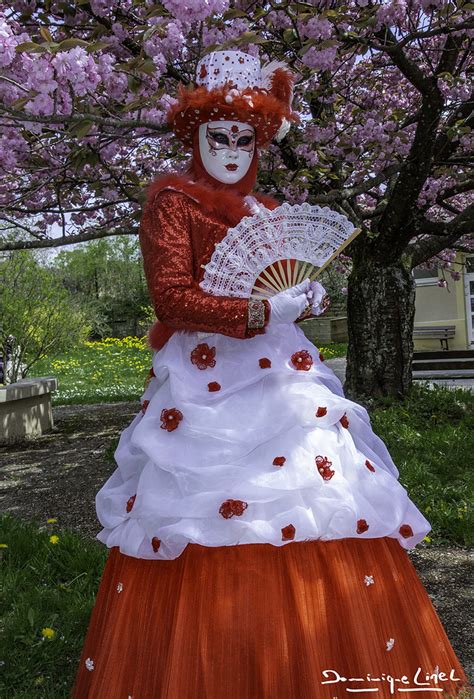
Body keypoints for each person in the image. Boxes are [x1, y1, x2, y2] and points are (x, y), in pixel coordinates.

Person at [73, 51, 469, 698]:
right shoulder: (171, 203)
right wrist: (259, 309)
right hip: (203, 391)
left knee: (315, 500)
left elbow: (277, 280)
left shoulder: (266, 210)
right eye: (218, 135)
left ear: (260, 143)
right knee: (205, 511)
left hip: (284, 381)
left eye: (244, 137)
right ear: (194, 137)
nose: (231, 147)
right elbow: (172, 298)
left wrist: (302, 301)